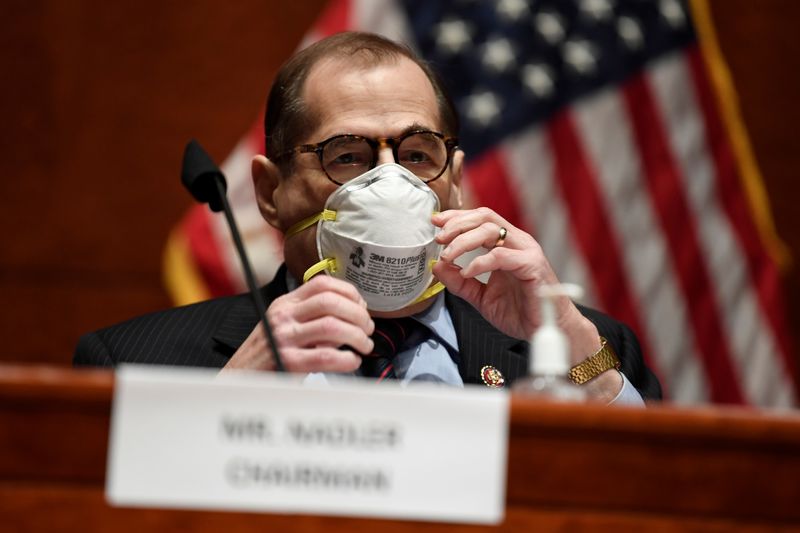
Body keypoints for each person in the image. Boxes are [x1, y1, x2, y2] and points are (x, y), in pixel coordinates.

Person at [74, 31, 661, 403]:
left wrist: (574, 347)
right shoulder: (138, 366)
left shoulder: (594, 349)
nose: (391, 183)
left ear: (453, 182)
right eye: (348, 156)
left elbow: (659, 503)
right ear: (271, 192)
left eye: (416, 155)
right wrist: (229, 402)